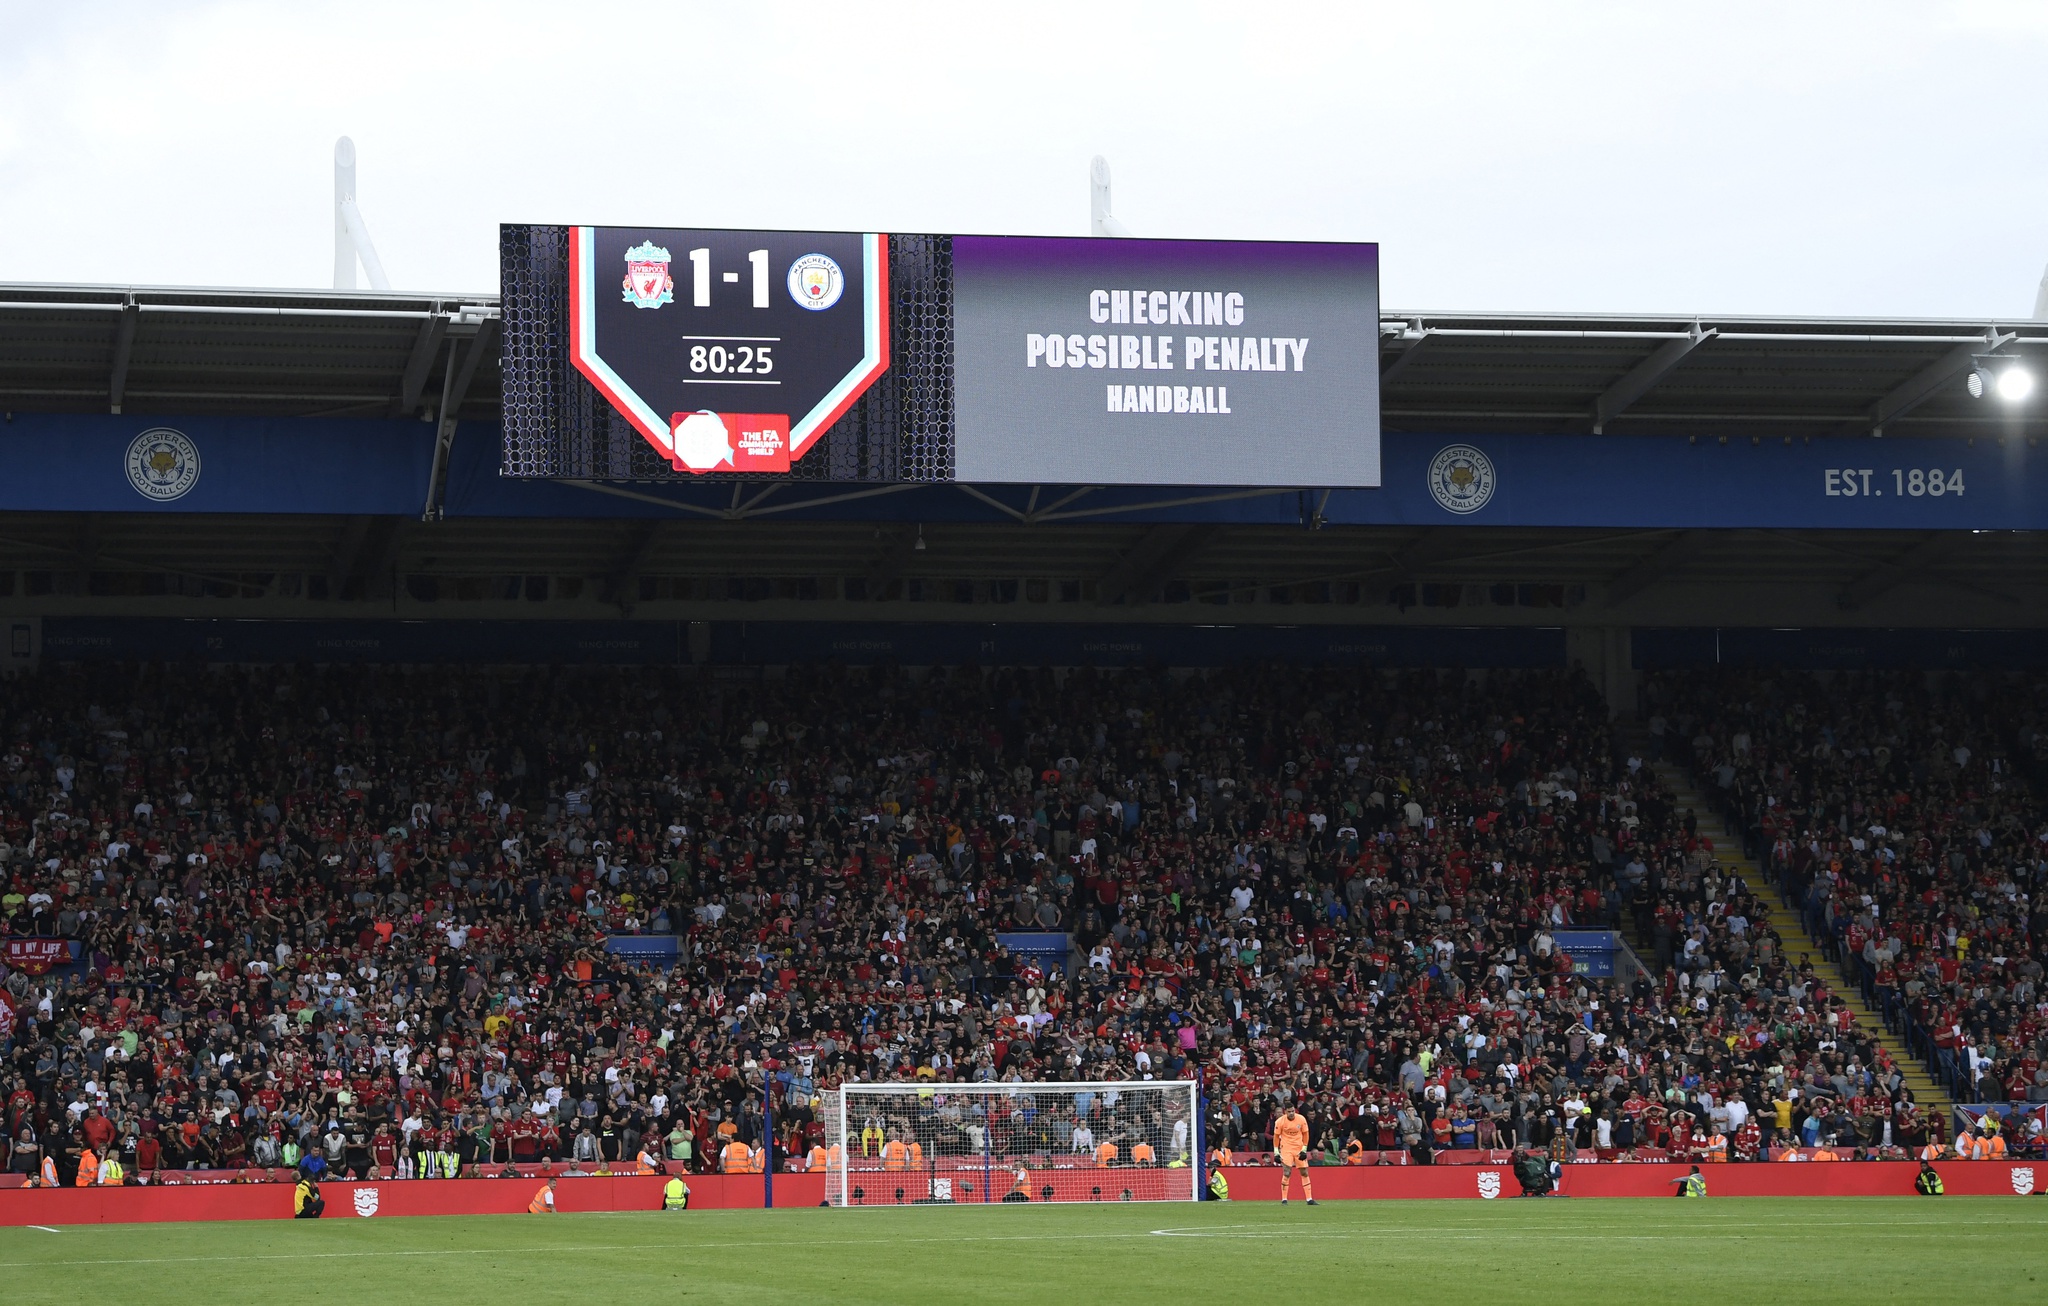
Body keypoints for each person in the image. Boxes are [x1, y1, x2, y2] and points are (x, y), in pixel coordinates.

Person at [1274, 1105, 1315, 1205]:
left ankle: (1309, 1199)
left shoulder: (1301, 1119)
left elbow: (1305, 1134)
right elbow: (1276, 1137)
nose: (1291, 1113)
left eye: (1293, 1111)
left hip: (1298, 1148)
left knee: (1304, 1172)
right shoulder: (1280, 1121)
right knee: (1287, 1172)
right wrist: (1276, 1152)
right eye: (1289, 1111)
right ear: (1285, 1112)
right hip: (1286, 1148)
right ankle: (1284, 1199)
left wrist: (1304, 1150)